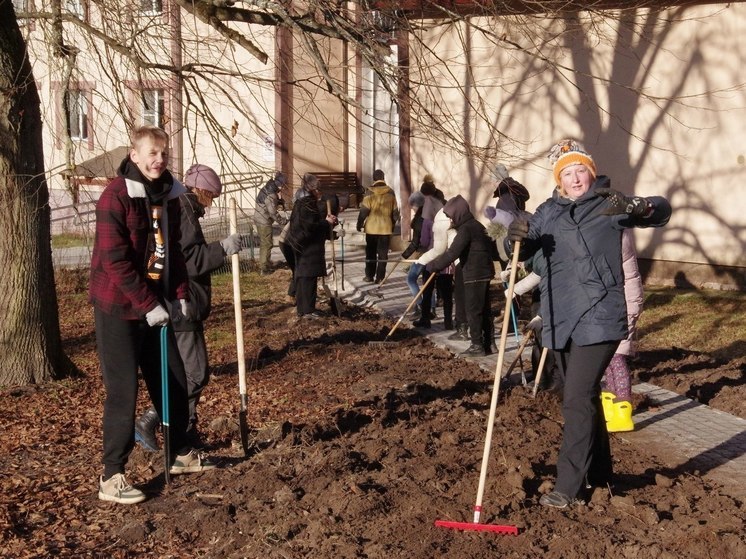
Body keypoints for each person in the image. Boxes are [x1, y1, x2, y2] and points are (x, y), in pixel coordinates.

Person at [506, 138, 671, 509]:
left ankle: (569, 487)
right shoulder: (547, 211)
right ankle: (601, 474)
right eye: (567, 173)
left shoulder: (609, 205)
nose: (575, 178)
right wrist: (512, 237)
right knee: (586, 397)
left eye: (581, 170)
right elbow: (522, 246)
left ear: (591, 172)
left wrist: (643, 206)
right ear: (559, 179)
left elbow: (660, 210)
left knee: (576, 398)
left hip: (600, 317)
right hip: (560, 318)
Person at [89, 126, 215, 505]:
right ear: (135, 154)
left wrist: (178, 297)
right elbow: (115, 262)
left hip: (155, 306)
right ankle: (111, 475)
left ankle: (177, 452)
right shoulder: (116, 196)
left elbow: (172, 252)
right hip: (119, 308)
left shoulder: (170, 196)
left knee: (174, 380)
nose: (158, 160)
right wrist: (150, 305)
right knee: (124, 391)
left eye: (163, 153)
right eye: (151, 153)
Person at [135, 164, 243, 451]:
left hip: (181, 303)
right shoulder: (183, 208)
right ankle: (151, 420)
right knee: (194, 373)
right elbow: (190, 260)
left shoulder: (180, 206)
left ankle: (184, 433)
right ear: (202, 190)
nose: (210, 207)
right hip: (181, 304)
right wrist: (222, 248)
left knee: (188, 372)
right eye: (212, 198)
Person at [425, 195, 497, 356]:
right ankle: (490, 344)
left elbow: (452, 252)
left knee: (473, 311)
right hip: (485, 271)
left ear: (458, 214)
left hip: (474, 272)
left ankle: (477, 345)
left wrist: (435, 266)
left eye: (451, 216)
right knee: (484, 309)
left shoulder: (466, 230)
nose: (450, 220)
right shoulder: (477, 226)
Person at [601, 228, 644, 432]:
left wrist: (630, 311)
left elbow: (629, 282)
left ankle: (623, 413)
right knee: (608, 359)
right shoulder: (614, 234)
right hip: (615, 307)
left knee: (617, 358)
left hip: (625, 307)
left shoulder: (618, 235)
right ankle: (610, 406)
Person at [285, 174, 339, 318]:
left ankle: (303, 310)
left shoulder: (300, 202)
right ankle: (308, 310)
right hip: (308, 248)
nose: (320, 195)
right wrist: (327, 223)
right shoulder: (308, 204)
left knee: (303, 277)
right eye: (319, 191)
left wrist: (327, 225)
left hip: (299, 244)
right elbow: (311, 227)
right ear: (314, 190)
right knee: (308, 278)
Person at [416, 206, 456, 330]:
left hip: (432, 262)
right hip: (447, 263)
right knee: (447, 294)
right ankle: (448, 321)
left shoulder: (428, 222)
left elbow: (424, 241)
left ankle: (425, 318)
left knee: (427, 291)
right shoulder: (452, 222)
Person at [356, 169, 399, 283]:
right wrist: (393, 225)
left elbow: (364, 211)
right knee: (383, 255)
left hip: (371, 228)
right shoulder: (391, 192)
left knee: (370, 253)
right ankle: (380, 278)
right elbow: (395, 213)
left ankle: (369, 276)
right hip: (385, 228)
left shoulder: (369, 192)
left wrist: (359, 224)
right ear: (383, 178)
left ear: (374, 179)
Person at [253, 171, 288, 275]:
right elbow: (272, 213)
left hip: (260, 218)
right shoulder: (271, 195)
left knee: (265, 243)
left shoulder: (267, 188)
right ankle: (264, 269)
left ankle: (265, 264)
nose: (283, 188)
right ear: (280, 185)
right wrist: (283, 221)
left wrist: (278, 202)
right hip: (264, 221)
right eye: (283, 185)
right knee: (267, 244)